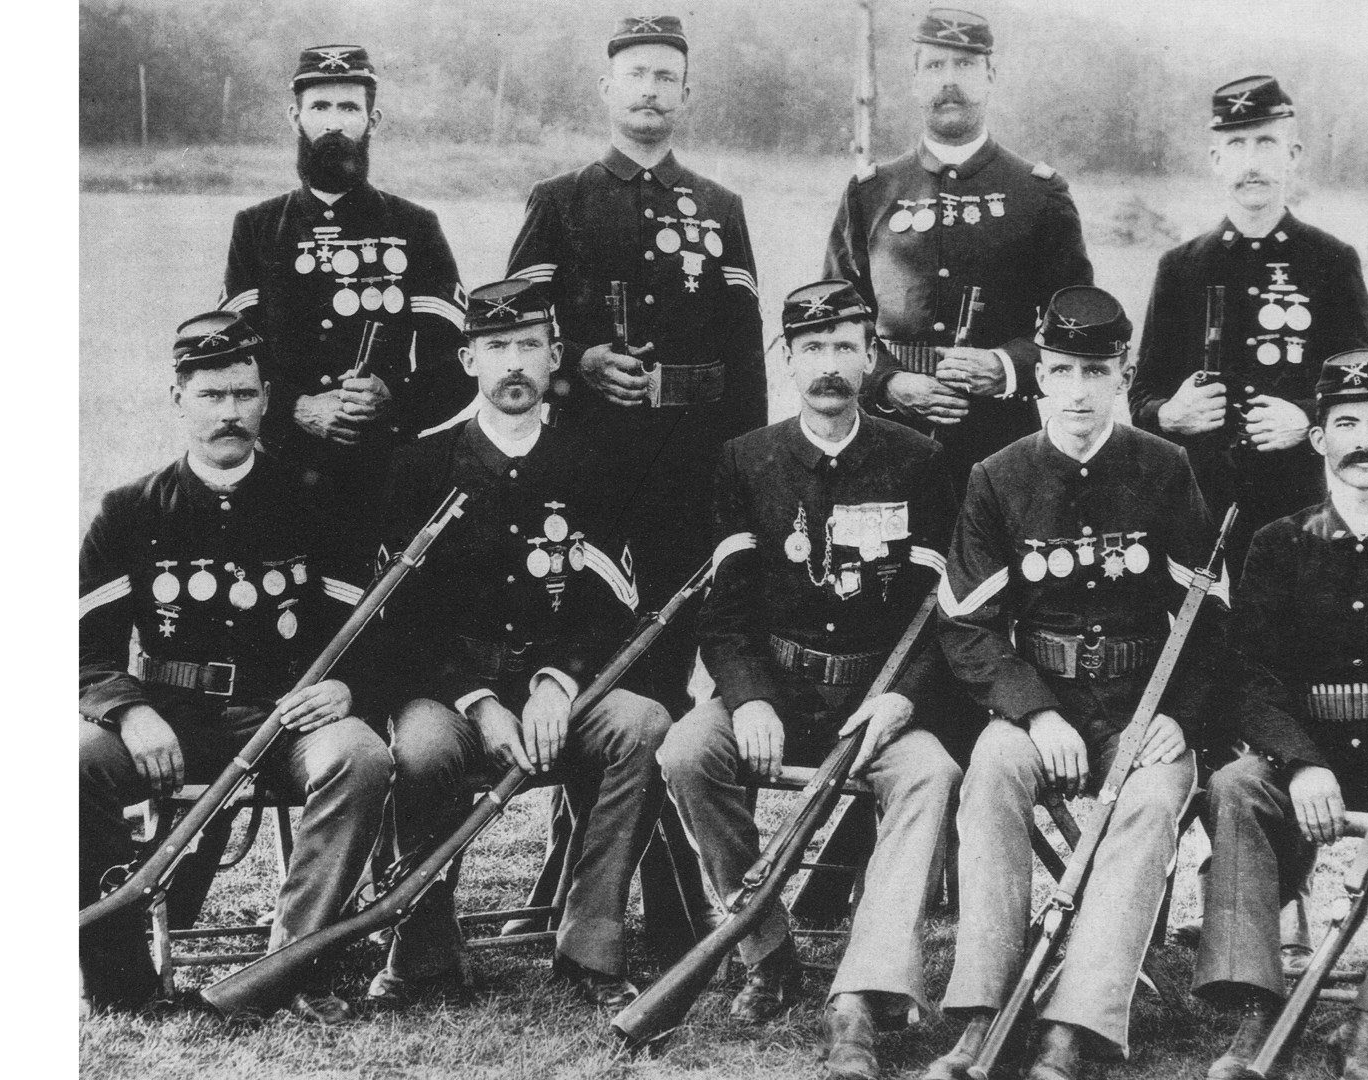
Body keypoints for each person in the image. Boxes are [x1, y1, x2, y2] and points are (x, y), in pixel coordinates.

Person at [658, 281, 961, 1080]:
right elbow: (723, 616)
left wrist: (904, 699)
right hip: (777, 691)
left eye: (845, 347)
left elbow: (942, 615)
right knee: (689, 751)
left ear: (871, 357)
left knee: (931, 773)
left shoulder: (921, 461)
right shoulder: (745, 460)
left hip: (881, 699)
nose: (829, 366)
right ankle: (767, 953)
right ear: (786, 360)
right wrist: (750, 696)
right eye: (812, 349)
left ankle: (862, 991)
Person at [927, 287, 1223, 1080]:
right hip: (1041, 704)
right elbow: (966, 622)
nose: (1081, 391)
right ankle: (980, 1013)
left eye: (1097, 371)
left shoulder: (1165, 468)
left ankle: (1074, 1026)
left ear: (1124, 374)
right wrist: (1032, 712)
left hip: (1143, 704)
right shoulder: (998, 476)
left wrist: (1180, 720)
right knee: (990, 773)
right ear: (1040, 378)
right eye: (1062, 371)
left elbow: (1209, 618)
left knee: (1152, 800)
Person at [365, 280, 672, 1011]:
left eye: (528, 346)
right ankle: (424, 952)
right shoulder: (420, 465)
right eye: (496, 347)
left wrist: (555, 683)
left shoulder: (592, 461)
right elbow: (402, 619)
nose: (512, 364)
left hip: (559, 695)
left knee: (642, 727)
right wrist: (477, 701)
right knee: (421, 753)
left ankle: (590, 944)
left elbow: (612, 604)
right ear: (468, 358)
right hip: (451, 693)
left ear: (555, 356)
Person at [78, 311, 393, 1023]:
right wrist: (130, 711)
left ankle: (294, 965)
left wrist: (348, 686)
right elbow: (83, 648)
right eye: (212, 395)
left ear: (267, 399)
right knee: (78, 763)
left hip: (285, 719)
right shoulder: (129, 511)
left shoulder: (318, 501)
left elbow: (369, 632)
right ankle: (120, 979)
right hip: (168, 719)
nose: (230, 412)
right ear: (177, 399)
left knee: (359, 756)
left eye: (244, 395)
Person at [1193, 350, 1368, 1080]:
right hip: (1306, 762)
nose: (1364, 441)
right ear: (1318, 438)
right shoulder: (1278, 544)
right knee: (1234, 787)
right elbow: (1249, 672)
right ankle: (1255, 1010)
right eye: (1345, 423)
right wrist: (1300, 761)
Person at [506, 14, 765, 715]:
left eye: (665, 78)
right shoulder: (561, 201)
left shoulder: (720, 207)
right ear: (606, 87)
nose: (649, 91)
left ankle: (658, 813)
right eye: (636, 75)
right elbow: (516, 333)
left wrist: (747, 468)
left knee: (676, 624)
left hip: (692, 457)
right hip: (589, 456)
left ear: (687, 95)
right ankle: (586, 807)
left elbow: (746, 350)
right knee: (587, 628)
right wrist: (578, 365)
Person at [824, 6, 1093, 495]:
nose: (950, 81)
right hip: (884, 438)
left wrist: (1007, 367)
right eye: (934, 66)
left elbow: (1075, 328)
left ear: (991, 76)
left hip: (1002, 443)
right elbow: (836, 321)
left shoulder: (1039, 194)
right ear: (913, 81)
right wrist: (888, 383)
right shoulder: (870, 192)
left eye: (965, 65)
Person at [218, 44, 469, 551]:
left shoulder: (416, 227)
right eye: (320, 107)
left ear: (372, 119)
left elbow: (459, 363)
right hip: (280, 471)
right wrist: (295, 406)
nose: (334, 124)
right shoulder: (256, 228)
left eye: (349, 108)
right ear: (296, 117)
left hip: (386, 473)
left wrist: (393, 401)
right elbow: (231, 359)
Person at [1128, 75, 1368, 582]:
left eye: (1266, 142)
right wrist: (1171, 414)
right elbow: (1141, 399)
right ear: (1216, 160)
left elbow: (1367, 394)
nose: (1252, 161)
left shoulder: (1331, 261)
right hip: (1195, 513)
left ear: (1294, 154)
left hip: (1298, 514)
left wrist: (1306, 419)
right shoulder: (1180, 267)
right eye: (1236, 144)